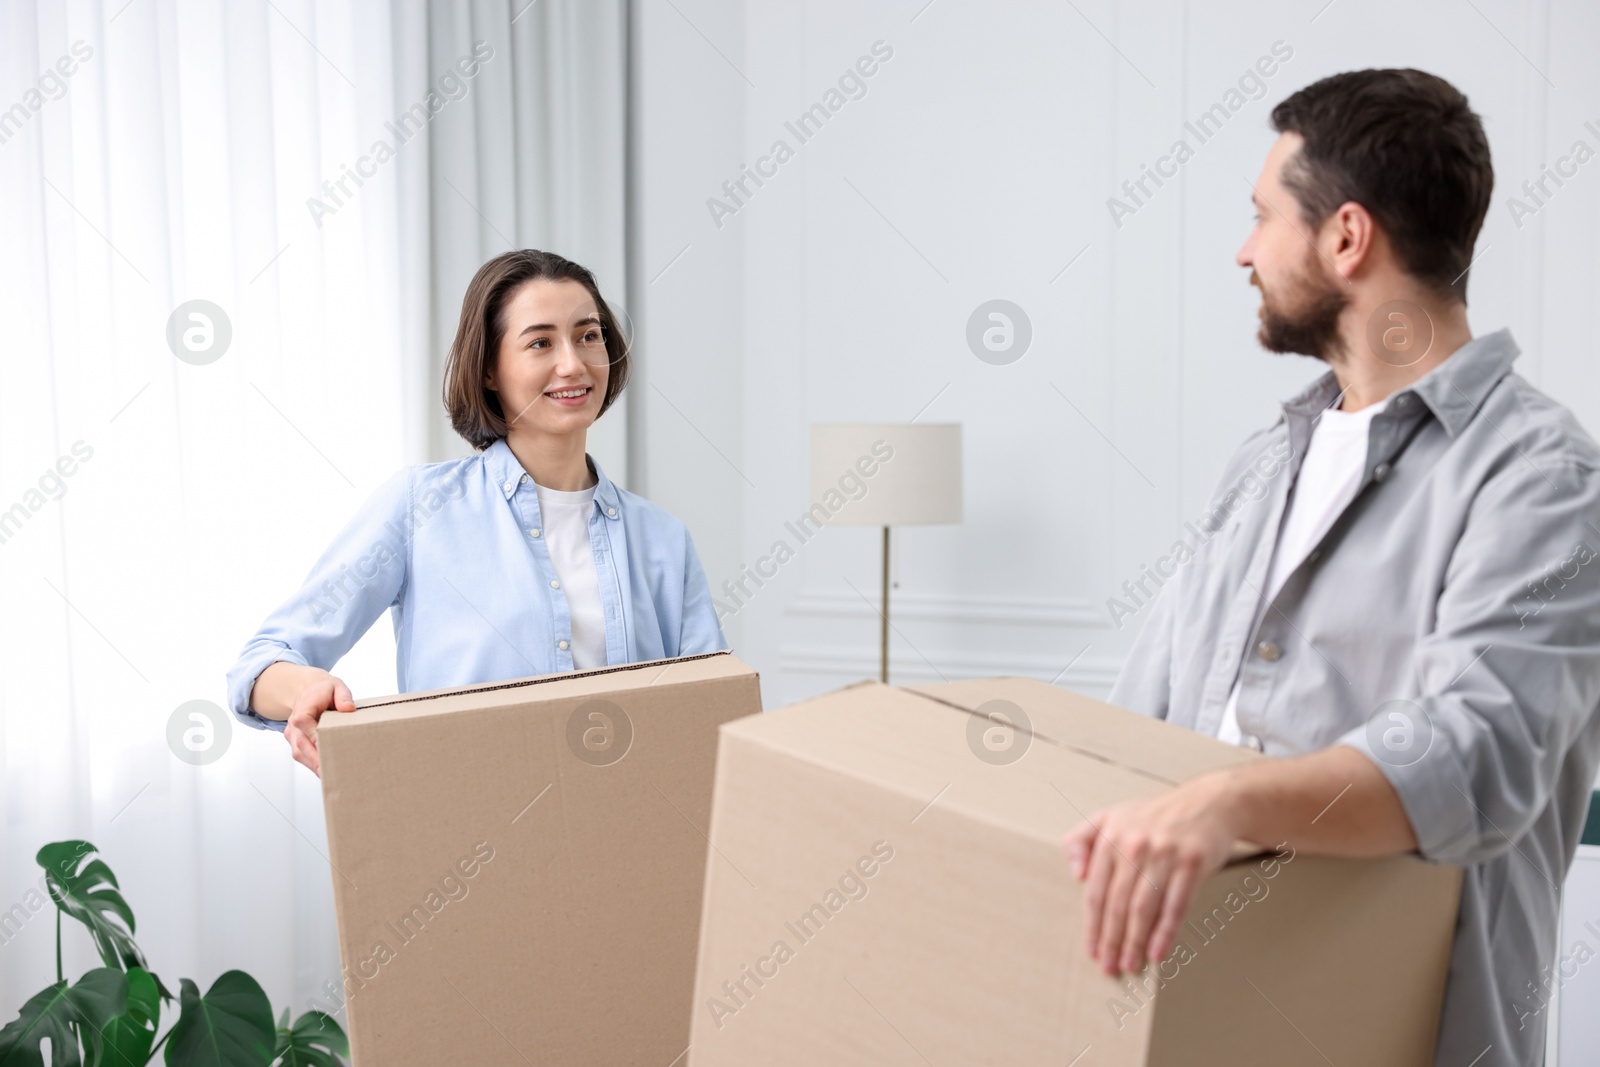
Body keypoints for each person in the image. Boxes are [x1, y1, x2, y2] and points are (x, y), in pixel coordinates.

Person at [1064, 68, 1600, 1066]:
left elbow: (1475, 752)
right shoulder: (1268, 460)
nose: (1243, 250)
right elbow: (1141, 719)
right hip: (1196, 1016)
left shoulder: (1544, 479)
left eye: (1262, 216)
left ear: (1345, 237)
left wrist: (1225, 799)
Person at [225, 249, 727, 775]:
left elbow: (710, 715)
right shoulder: (420, 507)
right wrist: (307, 687)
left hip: (631, 830)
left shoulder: (663, 538)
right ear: (489, 370)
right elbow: (260, 663)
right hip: (466, 833)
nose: (573, 364)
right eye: (540, 342)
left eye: (588, 335)